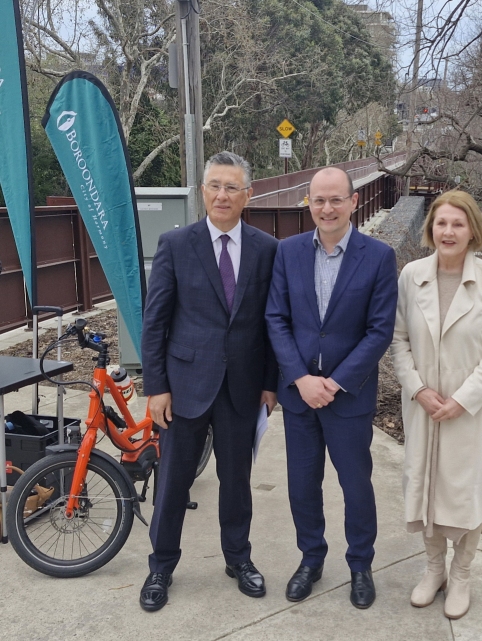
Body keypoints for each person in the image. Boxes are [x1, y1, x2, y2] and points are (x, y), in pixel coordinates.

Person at [139, 151, 278, 612]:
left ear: (247, 195)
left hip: (242, 387)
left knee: (236, 481)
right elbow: (155, 321)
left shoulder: (266, 248)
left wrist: (270, 383)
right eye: (214, 185)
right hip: (183, 388)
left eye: (231, 187)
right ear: (202, 192)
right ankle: (161, 565)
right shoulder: (176, 245)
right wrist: (156, 386)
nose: (222, 195)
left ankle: (238, 559)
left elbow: (272, 323)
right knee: (174, 481)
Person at [265, 167, 398, 609]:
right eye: (318, 200)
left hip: (349, 399)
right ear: (309, 203)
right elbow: (276, 319)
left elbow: (378, 332)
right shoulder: (287, 253)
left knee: (356, 485)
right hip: (300, 396)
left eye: (335, 199)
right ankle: (311, 559)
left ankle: (361, 565)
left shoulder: (378, 256)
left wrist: (336, 383)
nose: (327, 208)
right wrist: (301, 379)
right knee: (303, 485)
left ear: (353, 202)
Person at [390, 189, 482, 620]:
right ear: (431, 229)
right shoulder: (412, 275)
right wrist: (418, 389)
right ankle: (433, 570)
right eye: (441, 223)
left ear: (472, 230)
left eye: (458, 224)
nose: (448, 231)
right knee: (424, 486)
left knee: (465, 492)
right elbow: (399, 340)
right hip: (423, 406)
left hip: (471, 412)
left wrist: (463, 399)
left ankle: (461, 575)